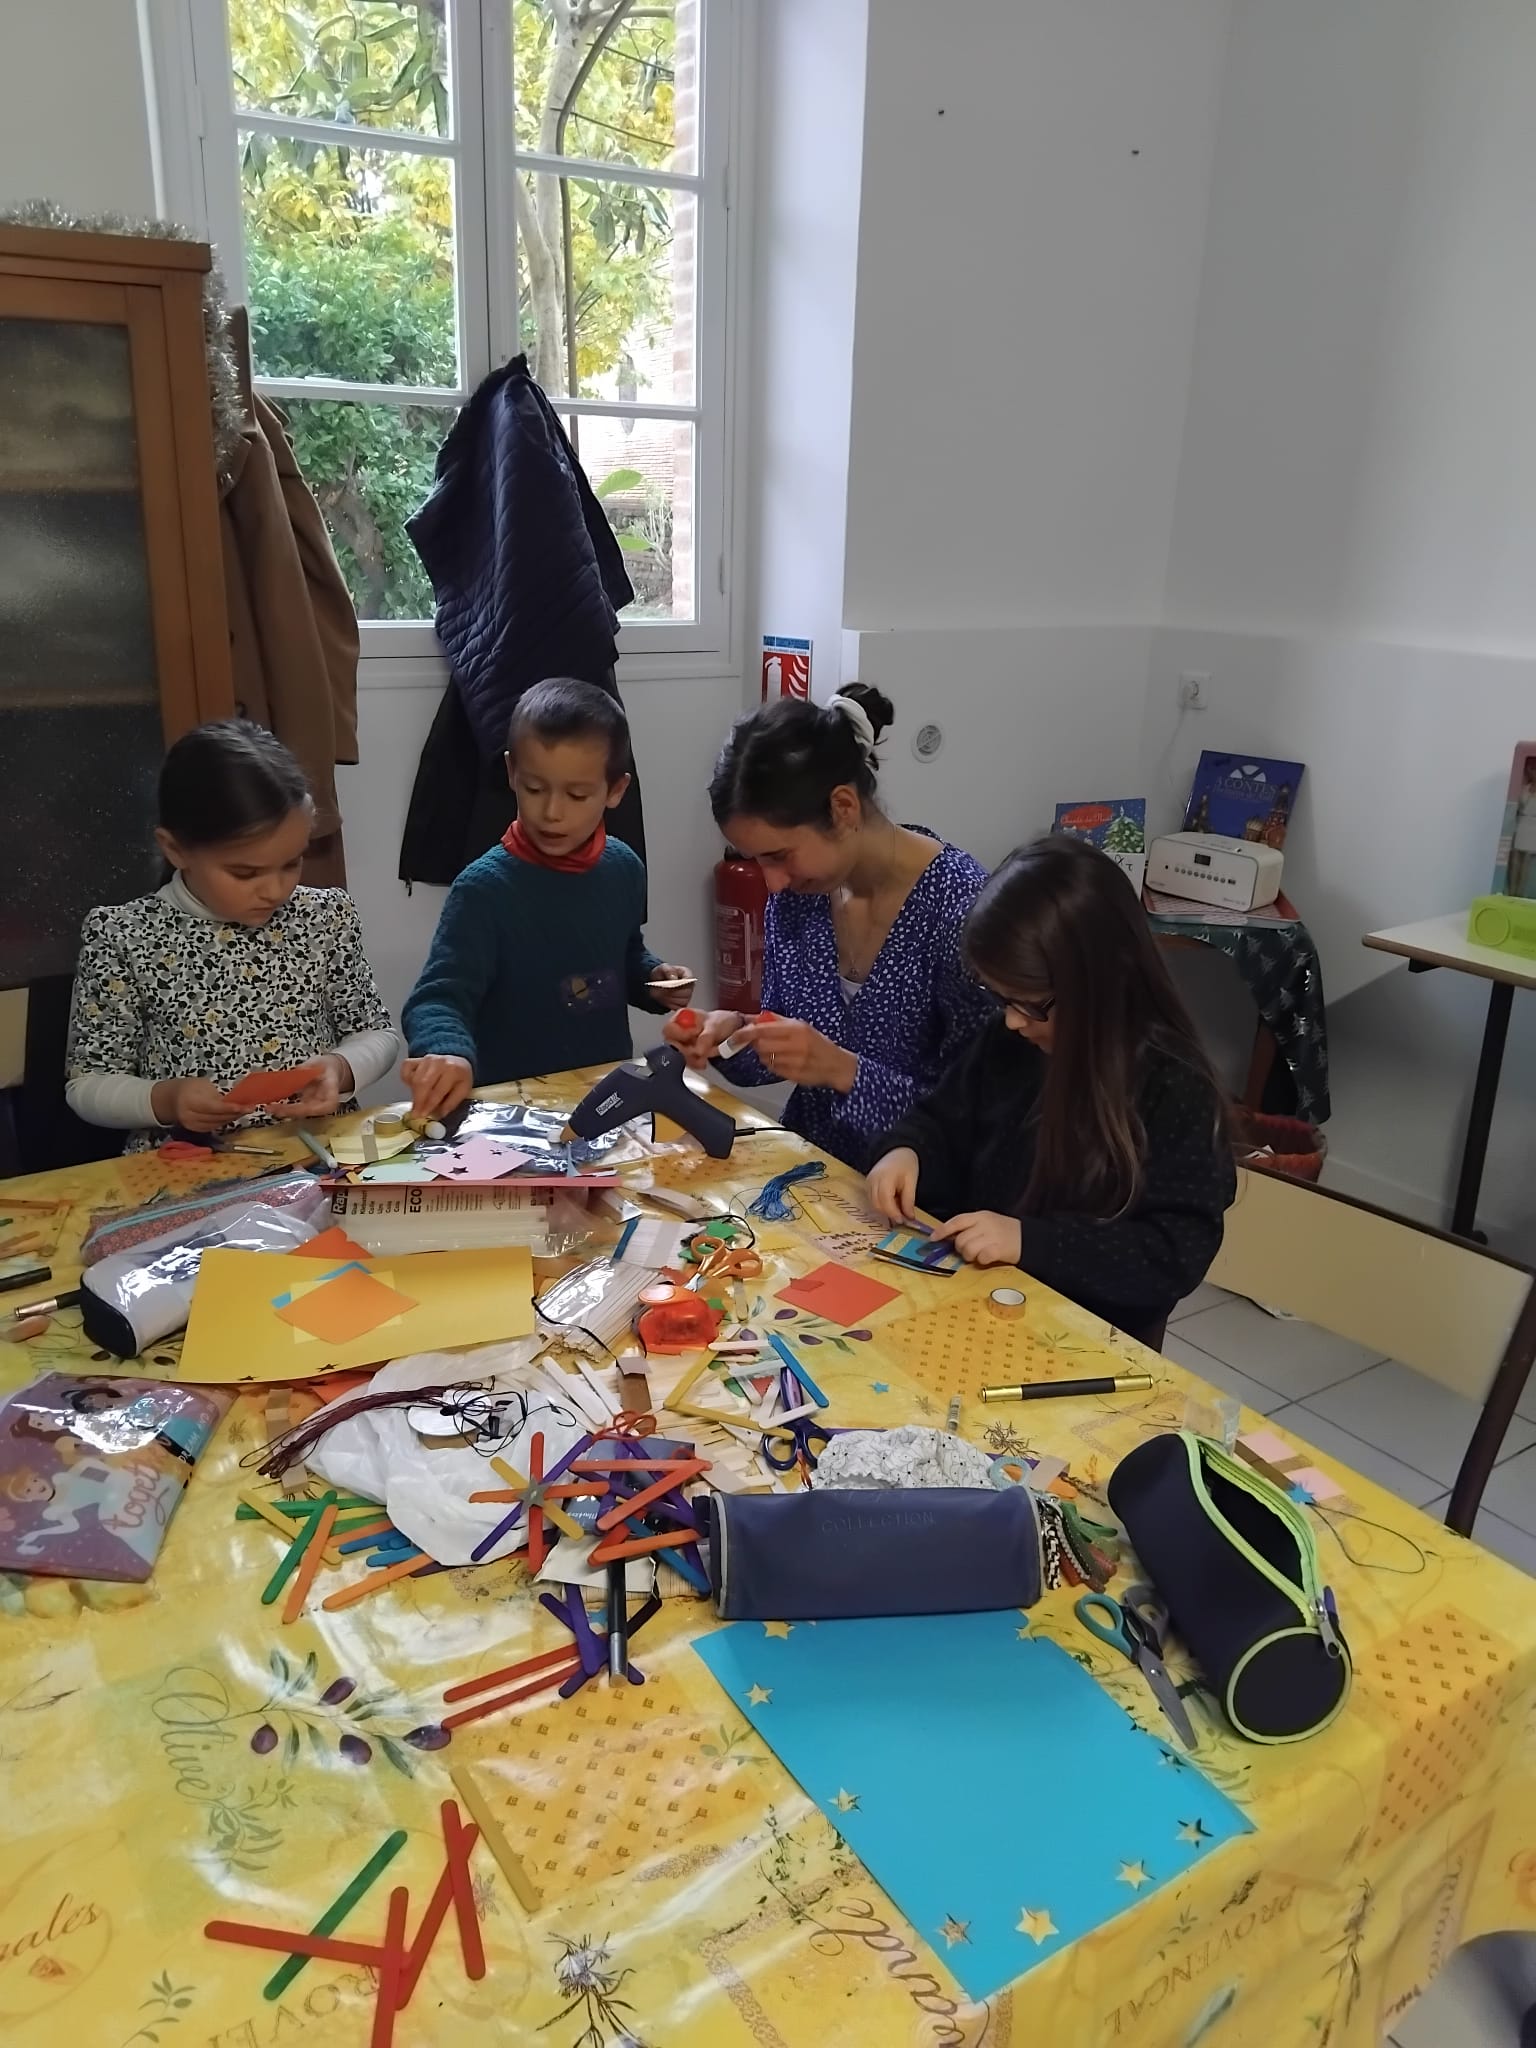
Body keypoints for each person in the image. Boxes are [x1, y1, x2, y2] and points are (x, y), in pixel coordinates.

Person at [867, 835, 1235, 1349]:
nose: (1012, 1021)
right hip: (974, 1309)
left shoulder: (1174, 1085)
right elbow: (941, 1121)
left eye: (1031, 1004)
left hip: (1084, 1342)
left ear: (1099, 987)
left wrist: (1030, 1242)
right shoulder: (1010, 1042)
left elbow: (1173, 1252)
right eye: (1001, 998)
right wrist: (907, 1151)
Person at [663, 684, 994, 1168]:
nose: (772, 883)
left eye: (779, 855)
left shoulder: (961, 910)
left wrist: (843, 1070)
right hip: (814, 1173)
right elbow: (781, 1045)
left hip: (918, 1196)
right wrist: (731, 1034)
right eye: (757, 860)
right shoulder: (800, 900)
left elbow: (983, 1119)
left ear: (843, 808)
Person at [66, 722, 400, 1151]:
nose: (275, 890)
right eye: (245, 873)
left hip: (317, 1150)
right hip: (189, 1164)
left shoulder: (325, 917)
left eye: (291, 863)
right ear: (175, 849)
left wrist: (340, 1067)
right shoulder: (124, 935)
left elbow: (377, 1033)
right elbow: (88, 1083)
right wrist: (165, 1099)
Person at [402, 678, 693, 1117]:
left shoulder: (624, 868)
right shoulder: (482, 890)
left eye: (577, 795)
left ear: (616, 790)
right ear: (511, 773)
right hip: (507, 1111)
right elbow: (438, 998)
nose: (552, 812)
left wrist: (654, 979)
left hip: (602, 1099)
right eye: (535, 789)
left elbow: (621, 955)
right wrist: (447, 1051)